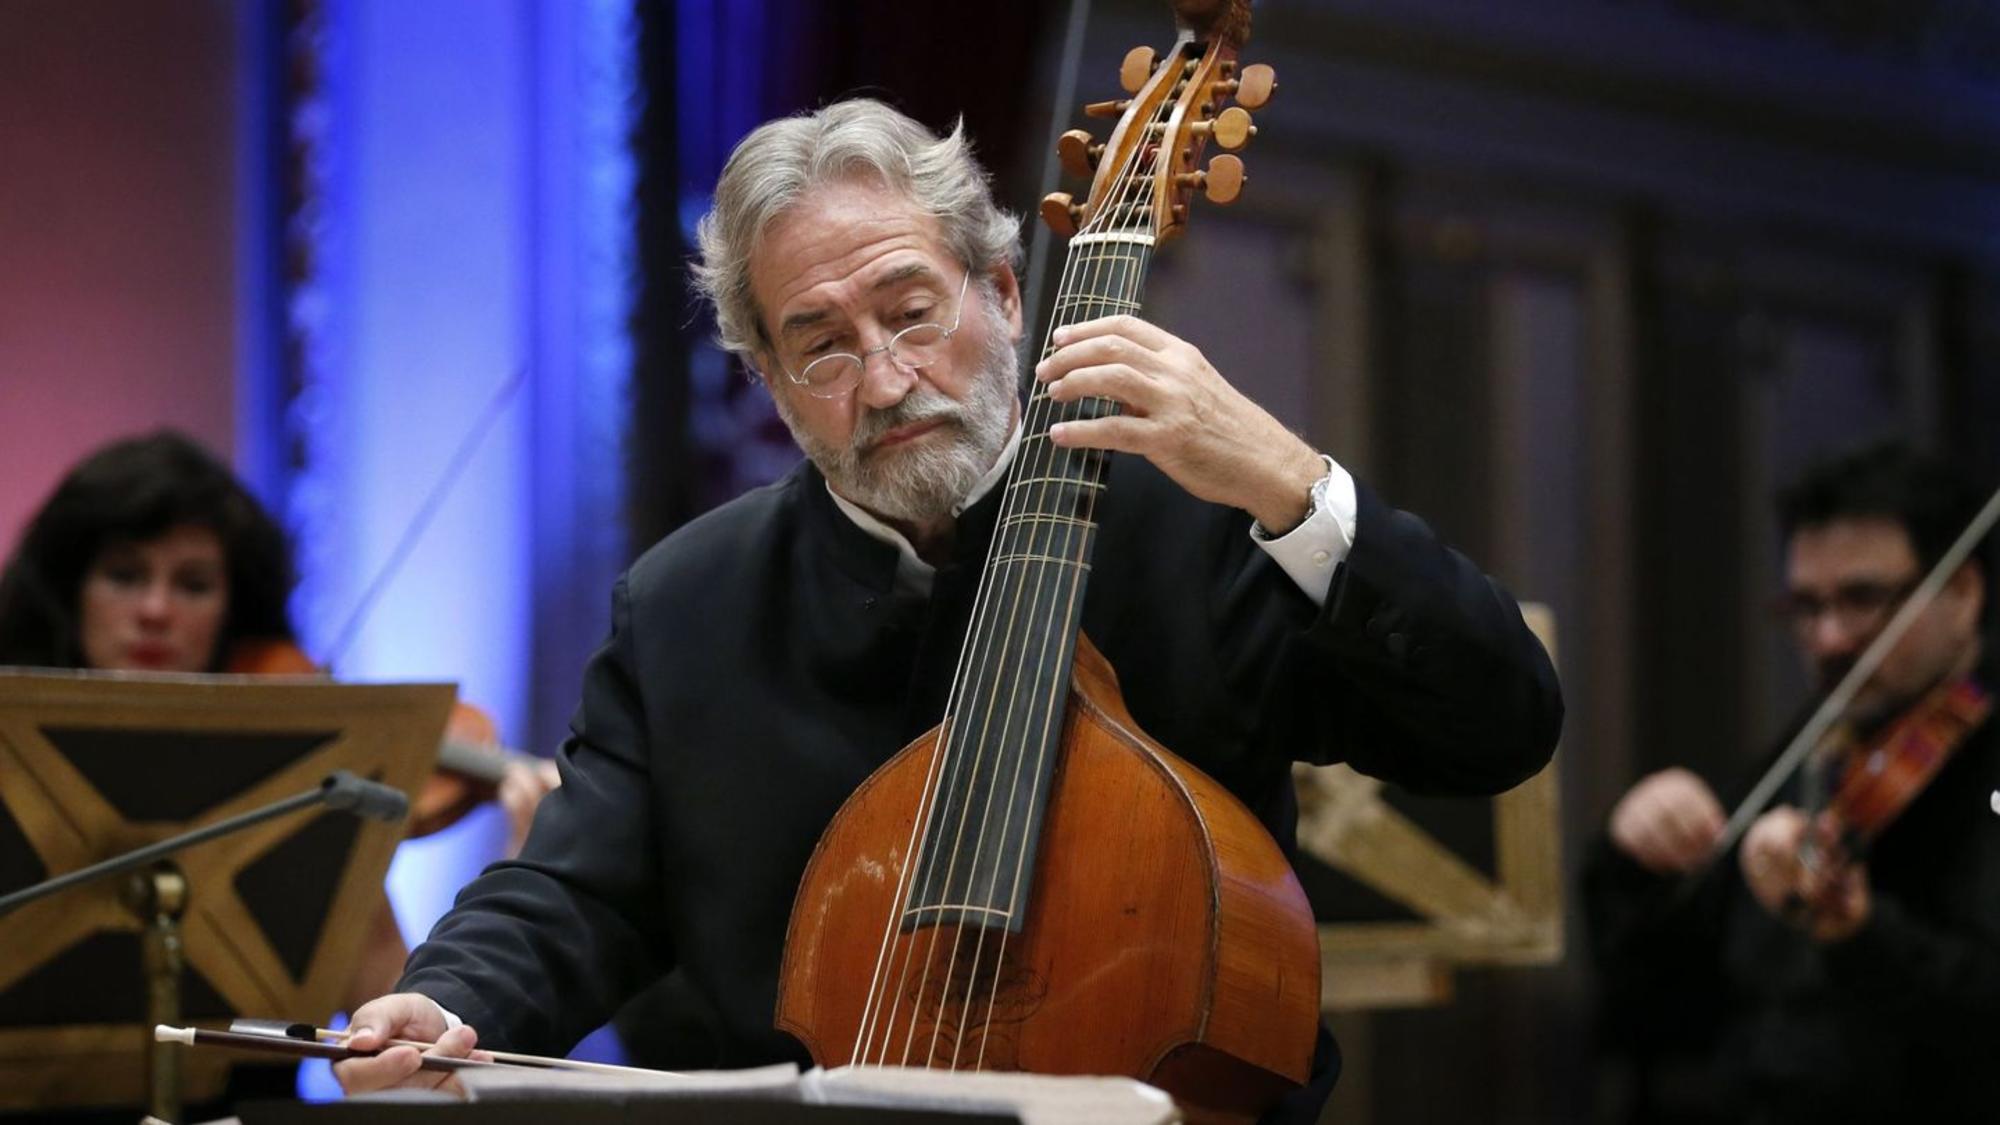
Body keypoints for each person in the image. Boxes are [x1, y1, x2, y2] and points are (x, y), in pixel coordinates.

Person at [334, 99, 1563, 1121]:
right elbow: (577, 889)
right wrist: (449, 999)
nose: (883, 379)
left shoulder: (1198, 533)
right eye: (817, 346)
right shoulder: (686, 603)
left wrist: (1286, 482)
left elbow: (1496, 723)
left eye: (912, 311)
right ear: (767, 382)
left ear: (1004, 296)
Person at [0, 430, 557, 1017]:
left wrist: (515, 886)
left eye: (194, 584)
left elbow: (400, 1040)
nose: (156, 611)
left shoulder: (307, 782)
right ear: (69, 593)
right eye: (124, 575)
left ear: (233, 609)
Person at [1583, 441, 1997, 1123]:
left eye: (1864, 599)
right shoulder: (1814, 745)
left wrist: (1862, 932)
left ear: (1962, 591)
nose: (1830, 637)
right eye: (1806, 606)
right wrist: (1634, 855)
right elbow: (1654, 1011)